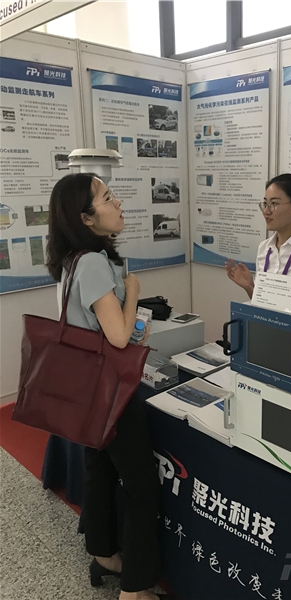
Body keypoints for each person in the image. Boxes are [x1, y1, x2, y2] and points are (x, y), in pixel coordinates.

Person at [46, 173, 166, 600]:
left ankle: (104, 554)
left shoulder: (73, 259)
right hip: (111, 390)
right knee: (141, 485)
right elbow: (118, 336)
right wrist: (132, 291)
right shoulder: (95, 263)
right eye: (108, 198)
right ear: (86, 217)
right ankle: (135, 589)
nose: (119, 204)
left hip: (87, 388)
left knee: (99, 470)